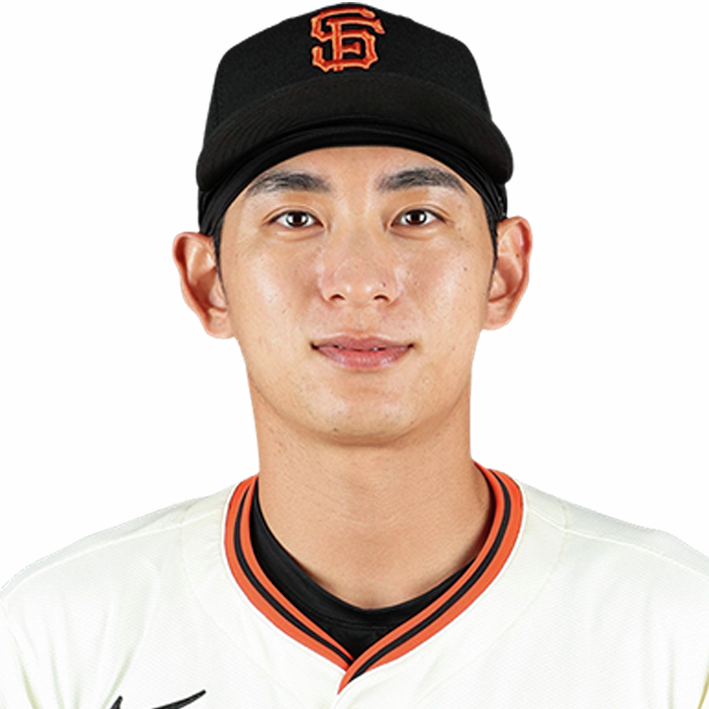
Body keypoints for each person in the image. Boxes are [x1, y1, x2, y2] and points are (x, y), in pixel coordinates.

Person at [1, 5, 708, 707]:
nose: (360, 280)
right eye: (295, 218)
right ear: (209, 282)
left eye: (417, 216)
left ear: (504, 271)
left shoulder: (672, 631)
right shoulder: (57, 639)